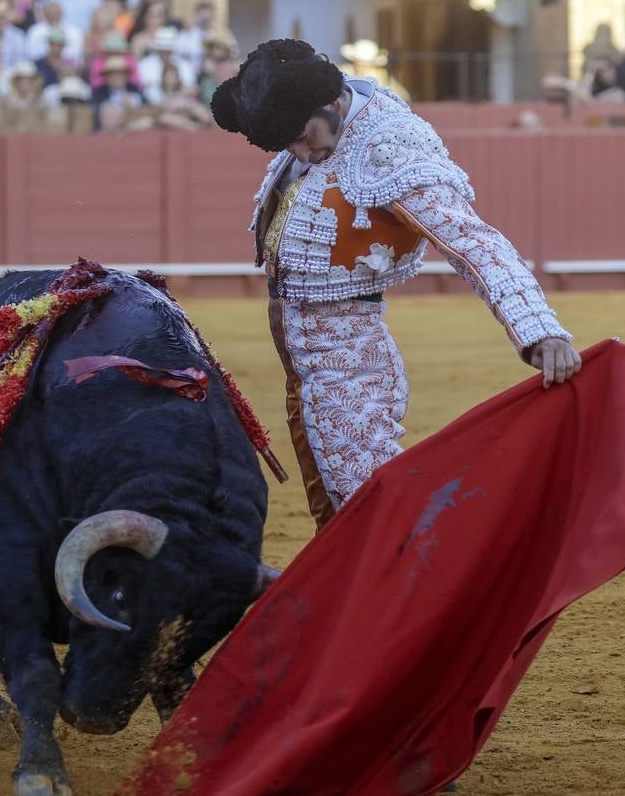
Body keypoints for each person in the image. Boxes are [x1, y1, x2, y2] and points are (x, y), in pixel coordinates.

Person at [211, 40, 580, 526]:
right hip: (306, 359)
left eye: (303, 136)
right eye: (289, 146)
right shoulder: (315, 123)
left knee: (368, 507)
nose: (302, 152)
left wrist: (539, 329)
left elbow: (473, 242)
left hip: (348, 357)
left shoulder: (390, 148)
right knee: (337, 502)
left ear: (331, 103)